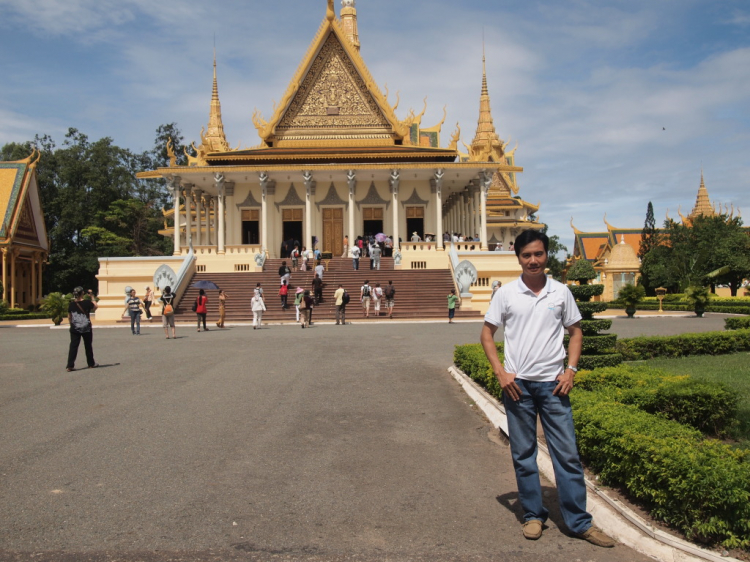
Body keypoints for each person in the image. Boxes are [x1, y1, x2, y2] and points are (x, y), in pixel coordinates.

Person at [479, 229, 614, 547]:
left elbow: (576, 332)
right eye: (526, 255)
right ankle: (533, 515)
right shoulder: (506, 294)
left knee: (566, 455)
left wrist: (571, 370)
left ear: (547, 256)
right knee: (523, 454)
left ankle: (579, 522)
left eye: (538, 254)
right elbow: (487, 334)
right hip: (518, 387)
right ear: (518, 258)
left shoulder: (561, 293)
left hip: (554, 385)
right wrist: (500, 371)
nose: (533, 260)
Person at [66, 286, 98, 371]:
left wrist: (71, 324)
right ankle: (91, 364)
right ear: (82, 293)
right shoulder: (87, 302)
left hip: (75, 327)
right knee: (88, 346)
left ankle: (70, 365)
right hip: (86, 327)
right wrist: (92, 297)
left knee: (73, 346)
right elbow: (95, 306)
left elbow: (69, 316)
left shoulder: (71, 304)